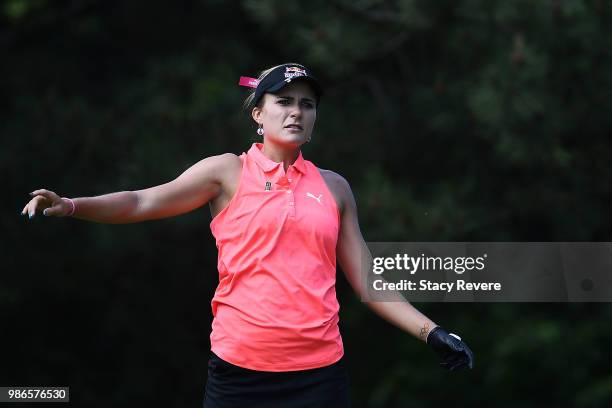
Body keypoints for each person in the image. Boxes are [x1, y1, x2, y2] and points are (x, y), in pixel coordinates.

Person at [22, 63, 473, 407]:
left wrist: (432, 332)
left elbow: (368, 283)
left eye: (307, 104)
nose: (297, 111)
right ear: (258, 112)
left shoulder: (334, 187)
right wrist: (73, 205)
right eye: (284, 101)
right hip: (240, 374)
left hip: (319, 376)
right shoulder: (227, 173)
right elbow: (142, 201)